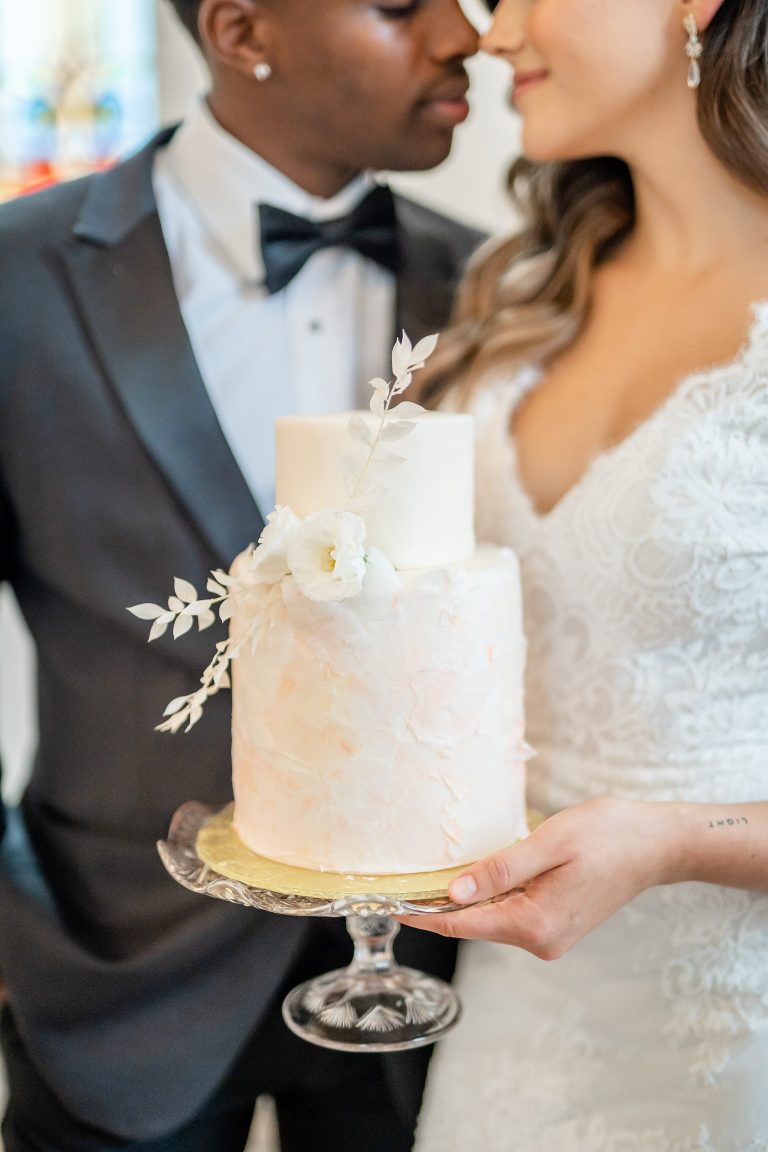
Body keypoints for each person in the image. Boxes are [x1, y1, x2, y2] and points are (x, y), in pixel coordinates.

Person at [0, 2, 486, 1149]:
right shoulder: (19, 279)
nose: (464, 34)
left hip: (428, 979)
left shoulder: (492, 284)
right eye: (402, 5)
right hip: (108, 968)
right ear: (241, 30)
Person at [402, 0, 768, 1147]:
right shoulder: (521, 288)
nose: (494, 33)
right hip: (507, 1013)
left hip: (729, 1032)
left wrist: (676, 840)